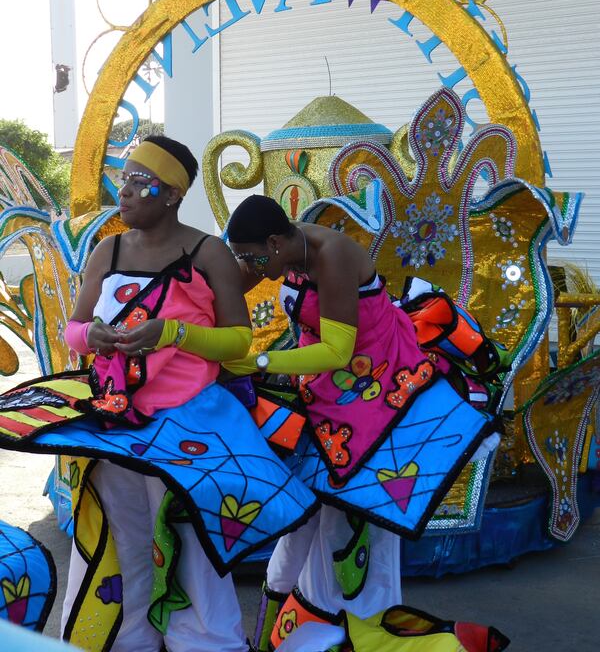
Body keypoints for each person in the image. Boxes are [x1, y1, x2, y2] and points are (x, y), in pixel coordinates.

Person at [0, 139, 316, 652]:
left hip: (188, 422)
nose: (123, 193)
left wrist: (173, 334)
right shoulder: (110, 250)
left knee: (190, 540)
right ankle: (129, 641)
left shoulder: (206, 251)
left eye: (138, 183)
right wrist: (93, 336)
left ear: (171, 194)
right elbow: (74, 329)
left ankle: (208, 643)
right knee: (123, 539)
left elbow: (238, 341)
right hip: (115, 417)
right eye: (123, 180)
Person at [224, 194, 503, 651]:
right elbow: (226, 282)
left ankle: (358, 628)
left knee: (349, 514)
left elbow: (339, 352)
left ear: (274, 243)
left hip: (374, 386)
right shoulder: (279, 254)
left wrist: (258, 360)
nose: (247, 266)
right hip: (325, 391)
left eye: (250, 256)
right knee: (305, 517)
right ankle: (288, 626)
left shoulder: (332, 255)